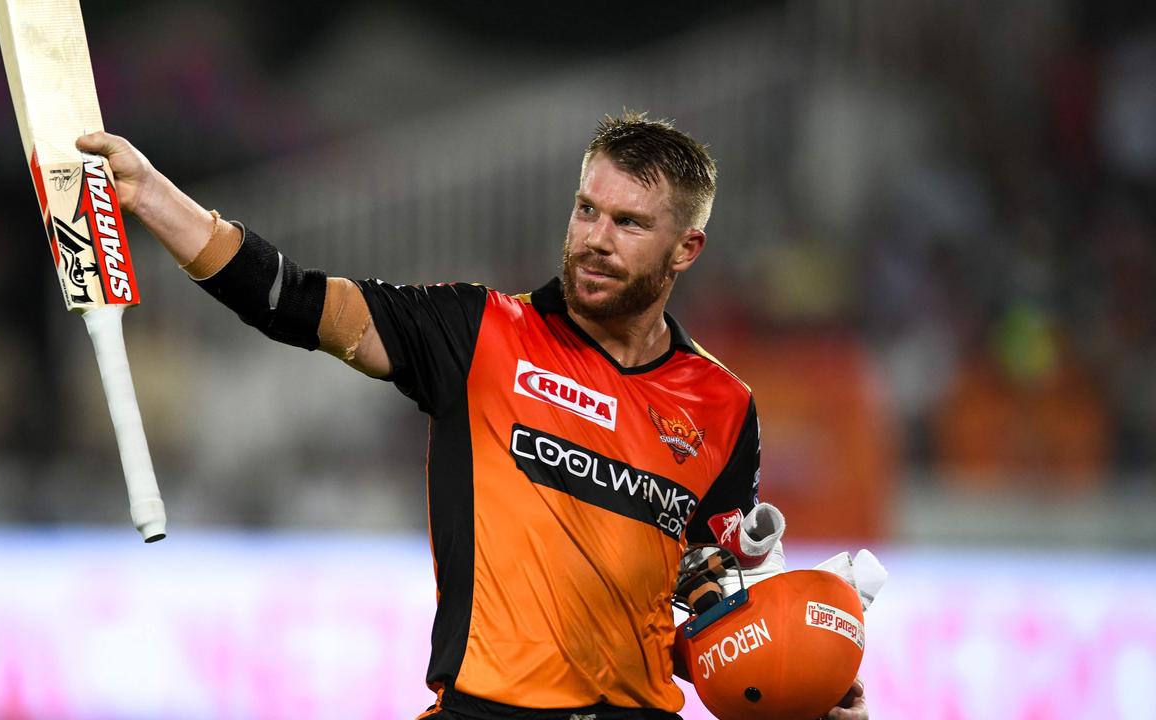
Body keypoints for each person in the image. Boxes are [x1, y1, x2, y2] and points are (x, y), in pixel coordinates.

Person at [77, 112, 869, 720]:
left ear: (686, 249)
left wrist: (800, 684)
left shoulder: (725, 408)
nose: (595, 239)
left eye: (629, 224)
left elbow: (709, 608)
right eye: (586, 210)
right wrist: (150, 194)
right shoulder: (477, 332)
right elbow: (290, 298)